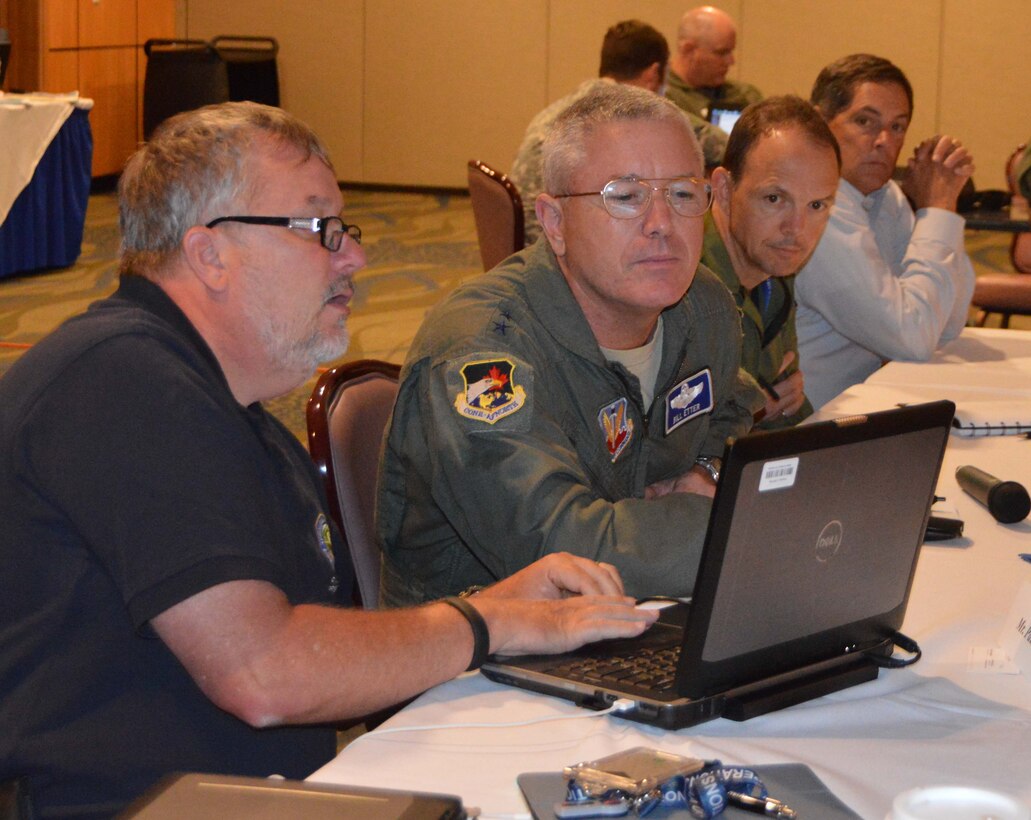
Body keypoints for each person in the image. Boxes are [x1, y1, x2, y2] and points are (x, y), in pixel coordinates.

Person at [0, 102, 659, 817]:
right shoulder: (121, 384)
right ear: (209, 254)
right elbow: (263, 673)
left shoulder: (226, 408)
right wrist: (491, 621)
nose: (354, 257)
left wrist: (492, 611)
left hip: (254, 798)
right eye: (320, 229)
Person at [379, 84, 763, 608]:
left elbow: (733, 405)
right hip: (478, 653)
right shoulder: (484, 354)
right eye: (624, 198)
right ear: (554, 223)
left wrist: (708, 472)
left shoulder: (702, 306)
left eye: (682, 194)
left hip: (644, 608)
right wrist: (749, 524)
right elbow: (561, 549)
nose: (661, 225)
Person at [793, 54, 976, 409]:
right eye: (865, 121)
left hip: (865, 408)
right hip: (805, 426)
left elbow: (950, 320)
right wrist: (936, 209)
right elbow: (913, 338)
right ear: (819, 122)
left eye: (897, 127)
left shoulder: (884, 194)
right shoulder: (814, 209)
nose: (883, 141)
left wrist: (941, 210)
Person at [510, 19, 727, 245]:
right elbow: (724, 144)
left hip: (531, 244)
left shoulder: (561, 108)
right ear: (655, 74)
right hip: (565, 250)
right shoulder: (628, 114)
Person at [703, 96, 841, 428]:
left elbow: (784, 404)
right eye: (775, 199)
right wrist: (752, 412)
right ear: (723, 189)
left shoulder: (774, 271)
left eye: (817, 206)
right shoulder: (681, 287)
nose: (796, 230)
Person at [665, 6, 761, 120]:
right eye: (721, 53)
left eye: (730, 51)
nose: (731, 61)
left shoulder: (746, 96)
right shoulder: (661, 97)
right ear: (688, 50)